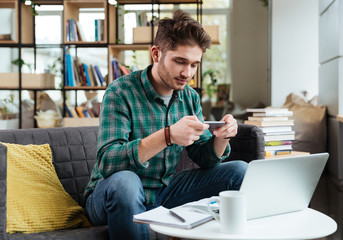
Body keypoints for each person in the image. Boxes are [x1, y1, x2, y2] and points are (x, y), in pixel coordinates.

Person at [84, 9, 248, 240]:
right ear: (156, 53)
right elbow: (108, 162)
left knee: (239, 171)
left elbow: (204, 158)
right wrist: (168, 135)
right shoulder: (120, 92)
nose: (187, 73)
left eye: (194, 65)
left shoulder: (189, 97)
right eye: (180, 61)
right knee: (127, 182)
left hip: (164, 192)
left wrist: (221, 138)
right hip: (111, 195)